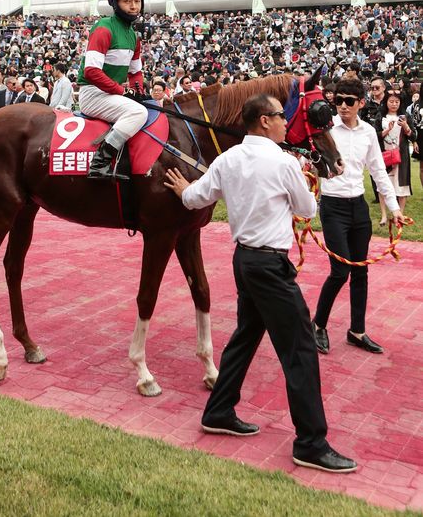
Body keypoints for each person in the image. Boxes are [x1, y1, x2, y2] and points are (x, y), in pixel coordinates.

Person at [164, 93, 357, 473]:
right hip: (269, 265)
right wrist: (304, 180)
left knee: (246, 335)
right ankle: (311, 442)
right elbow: (308, 209)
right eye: (280, 116)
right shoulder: (283, 162)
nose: (287, 121)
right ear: (264, 121)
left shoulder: (228, 159)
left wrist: (180, 188)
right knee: (300, 348)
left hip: (245, 261)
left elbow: (195, 197)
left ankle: (219, 411)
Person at [312, 77, 405, 357]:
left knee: (360, 272)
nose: (342, 106)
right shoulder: (325, 132)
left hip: (358, 208)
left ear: (361, 103)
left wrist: (394, 208)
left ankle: (357, 331)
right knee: (340, 271)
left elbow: (378, 172)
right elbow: (313, 165)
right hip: (332, 207)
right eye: (338, 100)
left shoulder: (367, 133)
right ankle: (318, 325)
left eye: (349, 101)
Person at [77, 0, 147, 180]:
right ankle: (99, 163)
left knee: (149, 106)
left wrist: (139, 91)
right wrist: (123, 91)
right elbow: (91, 71)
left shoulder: (134, 36)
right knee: (138, 114)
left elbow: (135, 72)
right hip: (93, 95)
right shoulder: (103, 27)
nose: (133, 6)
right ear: (115, 3)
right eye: (127, 1)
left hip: (111, 95)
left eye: (137, 0)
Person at [374, 88, 415, 224]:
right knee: (383, 186)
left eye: (397, 101)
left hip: (401, 157)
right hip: (385, 155)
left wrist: (406, 126)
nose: (394, 104)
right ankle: (384, 215)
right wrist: (387, 130)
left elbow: (413, 135)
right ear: (386, 102)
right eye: (391, 101)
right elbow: (375, 136)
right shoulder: (381, 116)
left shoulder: (405, 117)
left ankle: (400, 215)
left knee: (402, 186)